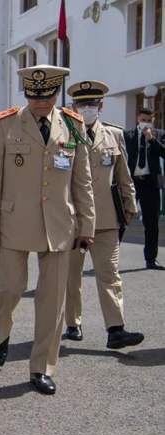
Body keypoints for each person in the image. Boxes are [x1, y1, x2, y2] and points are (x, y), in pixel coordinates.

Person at [0, 65, 95, 395]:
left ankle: (42, 366)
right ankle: (2, 329)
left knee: (52, 300)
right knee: (10, 288)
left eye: (46, 96)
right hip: (13, 223)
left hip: (59, 225)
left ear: (56, 93)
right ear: (26, 93)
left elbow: (82, 180)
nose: (40, 102)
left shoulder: (73, 126)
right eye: (34, 95)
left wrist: (87, 224)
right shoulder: (5, 124)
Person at [62, 80, 144, 349]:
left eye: (92, 104)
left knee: (110, 274)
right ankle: (73, 323)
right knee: (71, 276)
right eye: (82, 104)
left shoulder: (114, 135)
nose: (87, 108)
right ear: (73, 106)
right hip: (72, 219)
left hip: (107, 218)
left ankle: (115, 329)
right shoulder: (62, 135)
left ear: (100, 105)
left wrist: (130, 205)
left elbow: (124, 176)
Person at [124, 108, 165, 270]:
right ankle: (109, 259)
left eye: (148, 120)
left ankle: (150, 259)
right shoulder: (128, 135)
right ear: (137, 119)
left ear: (153, 120)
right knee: (121, 220)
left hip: (150, 183)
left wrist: (152, 140)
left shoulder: (160, 134)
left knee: (151, 222)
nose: (145, 123)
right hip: (131, 182)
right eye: (143, 119)